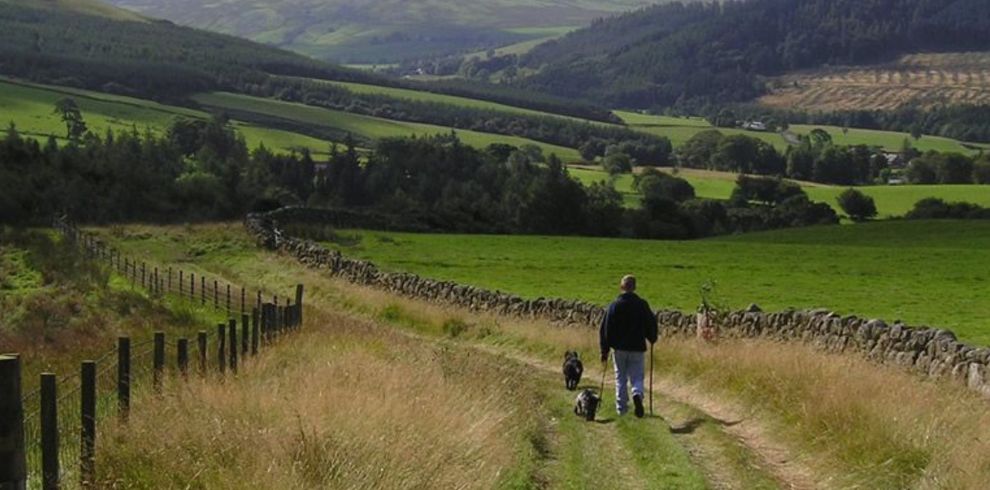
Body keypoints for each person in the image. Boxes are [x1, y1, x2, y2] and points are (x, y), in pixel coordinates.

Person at [599, 275, 658, 418]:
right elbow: (651, 323)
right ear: (635, 287)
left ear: (622, 287)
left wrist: (604, 350)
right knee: (637, 376)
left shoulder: (614, 305)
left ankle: (622, 410)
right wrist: (652, 338)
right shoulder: (642, 304)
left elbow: (606, 328)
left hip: (619, 349)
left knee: (621, 378)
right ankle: (637, 393)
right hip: (637, 347)